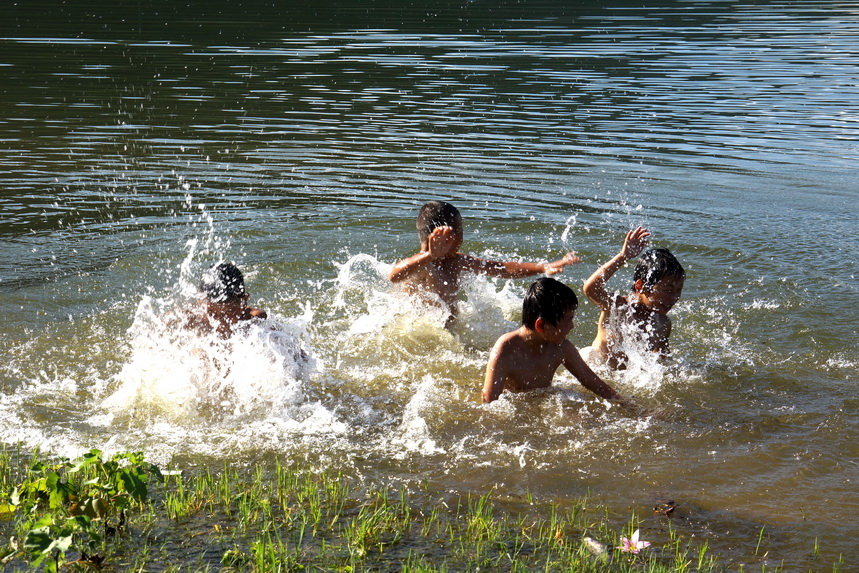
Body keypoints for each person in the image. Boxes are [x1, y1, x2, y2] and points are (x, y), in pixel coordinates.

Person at [389, 201, 581, 326]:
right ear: (446, 236)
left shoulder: (457, 261)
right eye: (460, 231)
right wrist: (429, 255)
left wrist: (542, 267)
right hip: (419, 330)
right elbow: (395, 275)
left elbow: (501, 268)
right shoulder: (421, 264)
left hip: (447, 330)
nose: (463, 237)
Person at [482, 277, 631, 408]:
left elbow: (596, 385)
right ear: (541, 325)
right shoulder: (506, 349)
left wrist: (628, 406)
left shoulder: (561, 347)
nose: (572, 326)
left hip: (544, 400)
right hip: (515, 404)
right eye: (568, 320)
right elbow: (489, 403)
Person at [582, 227, 685, 369]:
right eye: (667, 290)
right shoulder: (617, 306)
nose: (674, 297)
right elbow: (591, 288)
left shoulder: (663, 324)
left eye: (678, 291)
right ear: (640, 286)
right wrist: (623, 257)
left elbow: (661, 363)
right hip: (595, 368)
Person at [186, 262, 267, 337]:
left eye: (227, 314)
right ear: (201, 302)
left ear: (244, 301)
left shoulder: (253, 320)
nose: (220, 321)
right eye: (212, 314)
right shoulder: (191, 319)